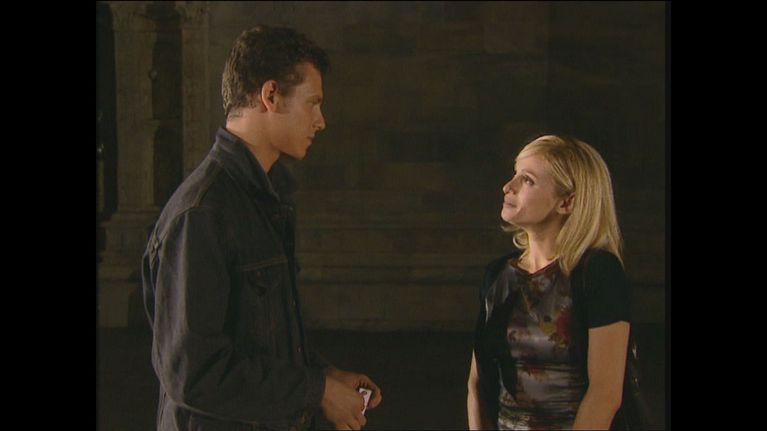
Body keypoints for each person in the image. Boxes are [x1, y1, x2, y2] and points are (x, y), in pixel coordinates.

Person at [141, 25, 381, 431]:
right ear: (270, 95)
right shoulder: (202, 213)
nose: (321, 121)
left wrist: (323, 375)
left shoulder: (263, 199)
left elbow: (256, 338)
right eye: (313, 103)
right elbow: (193, 374)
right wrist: (316, 391)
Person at [467, 135, 630, 430]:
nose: (508, 186)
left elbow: (605, 394)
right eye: (515, 173)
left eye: (527, 180)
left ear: (567, 202)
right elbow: (477, 384)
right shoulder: (498, 275)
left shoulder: (597, 273)